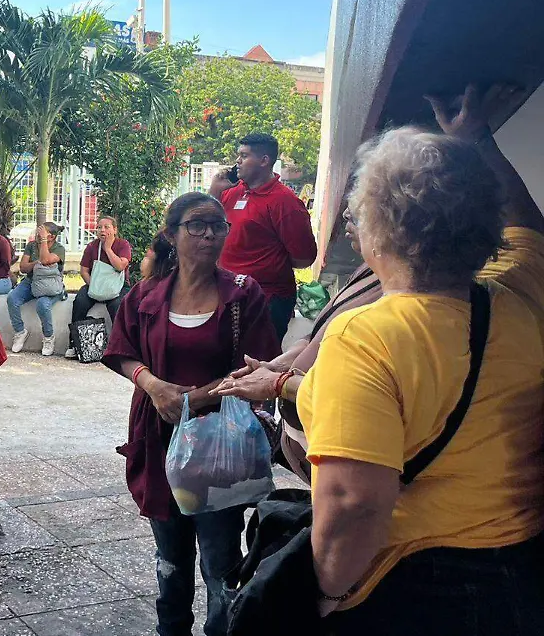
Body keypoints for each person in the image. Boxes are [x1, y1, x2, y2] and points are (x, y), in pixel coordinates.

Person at [297, 88, 544, 633]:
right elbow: (530, 225)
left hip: (417, 589)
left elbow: (354, 503)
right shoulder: (521, 293)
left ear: (372, 232)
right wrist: (476, 140)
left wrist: (320, 595)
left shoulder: (366, 338)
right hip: (526, 570)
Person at [102, 191, 279, 636]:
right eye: (197, 224)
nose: (209, 234)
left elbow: (257, 371)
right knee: (170, 561)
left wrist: (191, 400)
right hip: (160, 439)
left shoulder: (242, 295)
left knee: (221, 564)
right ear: (172, 233)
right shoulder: (146, 294)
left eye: (218, 225)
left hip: (219, 445)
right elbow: (122, 350)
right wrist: (152, 384)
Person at [214, 198, 381, 483]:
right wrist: (277, 366)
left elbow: (361, 395)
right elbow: (316, 335)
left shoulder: (409, 294)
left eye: (363, 203)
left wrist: (278, 384)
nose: (345, 213)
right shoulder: (369, 269)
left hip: (355, 475)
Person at [219, 133, 318, 342]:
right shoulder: (232, 193)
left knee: (256, 364)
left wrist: (268, 263)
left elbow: (304, 258)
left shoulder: (285, 203)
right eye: (238, 155)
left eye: (244, 156)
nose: (238, 161)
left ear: (264, 161)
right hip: (225, 294)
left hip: (265, 300)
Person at [65, 216, 133, 360]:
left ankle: (119, 348)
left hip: (118, 286)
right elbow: (84, 270)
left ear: (115, 230)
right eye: (99, 227)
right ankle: (74, 343)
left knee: (117, 305)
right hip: (95, 284)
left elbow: (120, 266)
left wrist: (107, 248)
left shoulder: (123, 245)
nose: (102, 230)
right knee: (80, 301)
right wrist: (95, 286)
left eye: (107, 227)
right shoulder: (92, 247)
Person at [6, 223, 66, 355]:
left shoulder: (59, 249)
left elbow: (45, 260)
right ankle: (20, 331)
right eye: (39, 232)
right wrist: (36, 263)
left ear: (52, 237)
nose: (39, 234)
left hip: (50, 285)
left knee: (43, 304)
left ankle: (49, 337)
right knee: (12, 298)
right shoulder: (31, 246)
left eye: (42, 232)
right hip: (31, 281)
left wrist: (43, 243)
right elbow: (23, 267)